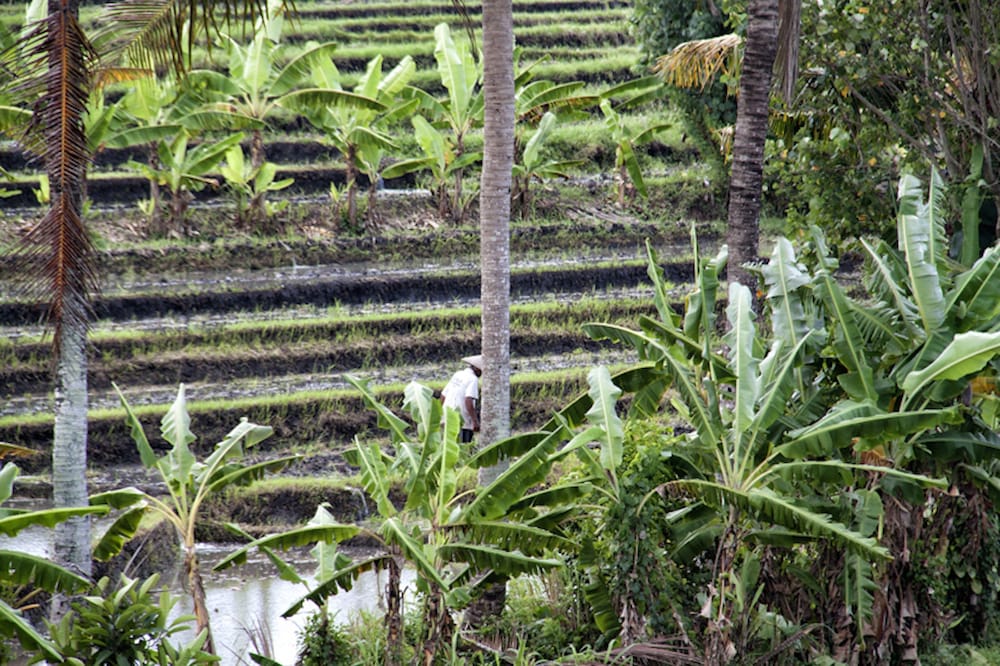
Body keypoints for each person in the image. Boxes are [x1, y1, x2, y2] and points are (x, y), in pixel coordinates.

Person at [441, 354, 482, 443]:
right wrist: (475, 421)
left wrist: (441, 414)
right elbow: (468, 400)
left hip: (448, 416)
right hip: (462, 420)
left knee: (449, 443)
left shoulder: (458, 374)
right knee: (463, 445)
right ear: (477, 369)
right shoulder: (473, 379)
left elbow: (443, 395)